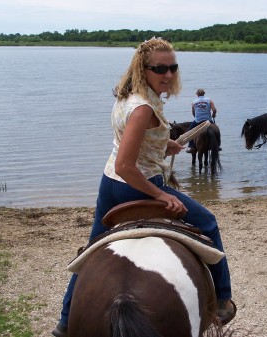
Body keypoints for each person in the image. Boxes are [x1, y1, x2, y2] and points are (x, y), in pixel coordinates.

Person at [52, 37, 236, 337]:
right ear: (143, 68)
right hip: (136, 184)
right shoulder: (143, 108)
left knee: (92, 247)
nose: (168, 74)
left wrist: (166, 144)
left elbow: (130, 146)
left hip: (109, 184)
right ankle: (222, 301)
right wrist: (161, 194)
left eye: (173, 68)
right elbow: (128, 165)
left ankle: (64, 320)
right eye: (160, 68)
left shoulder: (129, 96)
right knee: (209, 223)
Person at [186, 88, 220, 153]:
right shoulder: (209, 100)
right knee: (217, 130)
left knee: (189, 131)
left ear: (197, 94)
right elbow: (214, 110)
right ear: (204, 93)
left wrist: (196, 116)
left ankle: (191, 146)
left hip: (198, 120)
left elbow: (193, 113)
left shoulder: (194, 102)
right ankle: (218, 145)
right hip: (208, 120)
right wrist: (213, 115)